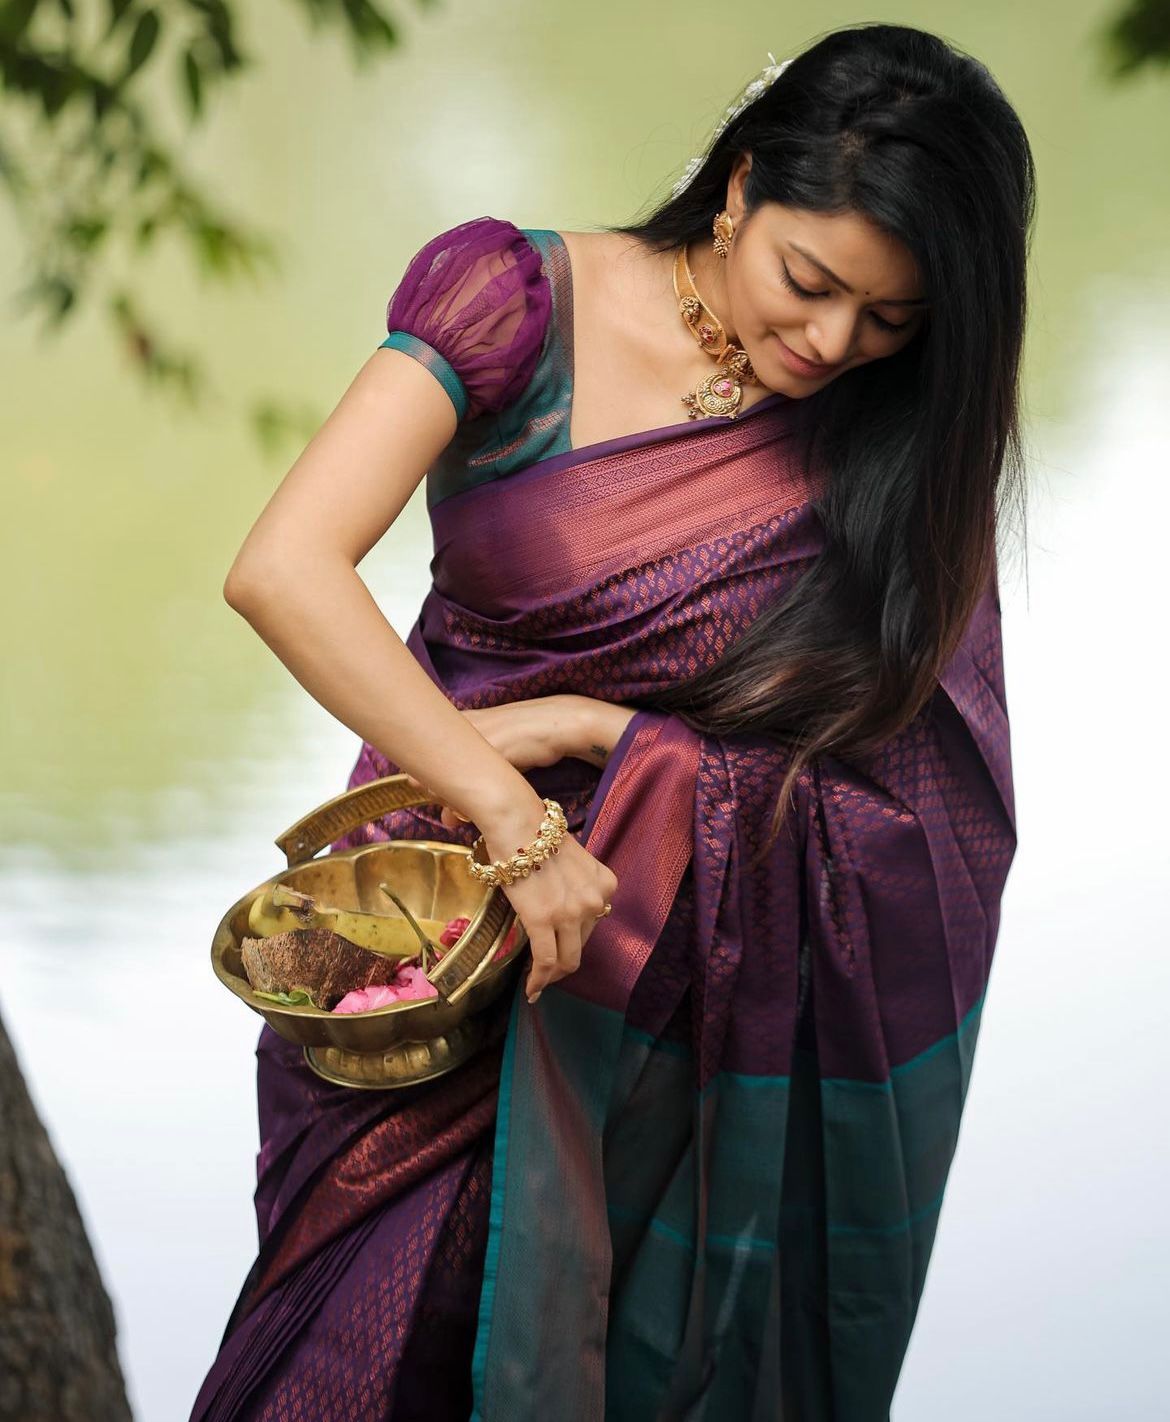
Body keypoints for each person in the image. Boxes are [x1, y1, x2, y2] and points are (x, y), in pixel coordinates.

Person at [192, 21, 1032, 1422]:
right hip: (433, 939)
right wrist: (516, 810)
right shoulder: (512, 298)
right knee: (349, 1356)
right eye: (808, 281)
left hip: (675, 1007)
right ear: (739, 187)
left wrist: (610, 741)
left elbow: (917, 816)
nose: (830, 343)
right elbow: (282, 568)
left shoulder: (893, 453)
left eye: (890, 321)